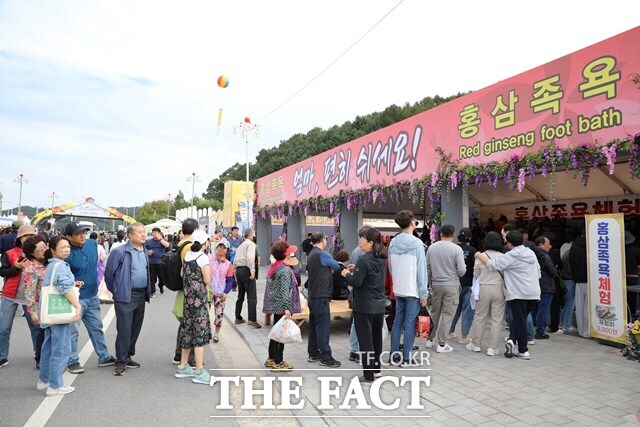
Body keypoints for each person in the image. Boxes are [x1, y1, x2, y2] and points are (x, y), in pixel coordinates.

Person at [476, 231, 541, 360]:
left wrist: (478, 255)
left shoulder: (510, 256)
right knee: (520, 319)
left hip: (518, 293)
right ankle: (511, 340)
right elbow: (538, 272)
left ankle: (523, 350)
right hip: (534, 292)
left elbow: (491, 265)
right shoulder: (531, 253)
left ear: (509, 243)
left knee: (520, 321)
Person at [64, 221, 115, 374]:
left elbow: (103, 260)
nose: (82, 235)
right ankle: (72, 360)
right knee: (72, 331)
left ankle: (104, 356)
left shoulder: (92, 244)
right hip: (74, 297)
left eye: (84, 232)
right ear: (68, 237)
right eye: (78, 233)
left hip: (92, 295)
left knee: (96, 327)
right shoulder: (66, 251)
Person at [105, 223, 151, 376]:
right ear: (130, 235)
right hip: (125, 294)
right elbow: (109, 275)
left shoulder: (143, 250)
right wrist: (117, 290)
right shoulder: (119, 252)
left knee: (135, 327)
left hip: (141, 294)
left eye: (144, 232)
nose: (143, 235)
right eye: (140, 232)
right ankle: (120, 361)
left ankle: (127, 355)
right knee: (124, 328)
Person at [38, 236, 82, 396]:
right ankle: (55, 385)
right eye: (63, 247)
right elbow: (64, 287)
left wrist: (73, 284)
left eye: (68, 247)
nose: (67, 249)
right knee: (61, 349)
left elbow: (59, 284)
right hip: (60, 313)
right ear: (53, 249)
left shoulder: (51, 265)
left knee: (48, 347)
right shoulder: (61, 266)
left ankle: (44, 380)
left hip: (50, 312)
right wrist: (77, 305)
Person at [342, 227, 387, 383]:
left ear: (370, 242)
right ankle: (376, 370)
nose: (359, 242)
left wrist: (346, 274)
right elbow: (370, 277)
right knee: (376, 339)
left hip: (364, 307)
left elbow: (356, 282)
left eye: (362, 239)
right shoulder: (381, 258)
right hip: (379, 305)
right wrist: (357, 270)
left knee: (365, 341)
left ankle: (368, 375)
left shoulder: (363, 259)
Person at [388, 210, 428, 367]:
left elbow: (391, 267)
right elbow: (421, 272)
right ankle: (407, 358)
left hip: (399, 288)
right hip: (413, 290)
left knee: (398, 321)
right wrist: (424, 294)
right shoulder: (417, 244)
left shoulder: (393, 243)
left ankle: (394, 355)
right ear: (412, 222)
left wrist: (398, 280)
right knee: (410, 323)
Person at [0, 224, 41, 369]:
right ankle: (2, 356)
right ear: (19, 238)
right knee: (3, 328)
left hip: (31, 298)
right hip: (10, 295)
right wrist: (15, 268)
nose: (29, 238)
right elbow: (2, 272)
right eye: (26, 236)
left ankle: (39, 355)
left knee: (36, 328)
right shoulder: (10, 253)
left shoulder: (39, 254)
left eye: (31, 236)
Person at [174, 230, 212, 385]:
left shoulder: (188, 256)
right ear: (204, 242)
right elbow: (207, 279)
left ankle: (183, 367)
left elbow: (183, 274)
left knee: (187, 331)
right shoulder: (202, 257)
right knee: (199, 335)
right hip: (199, 301)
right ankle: (199, 371)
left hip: (188, 301)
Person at [425, 224, 466, 353]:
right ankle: (442, 344)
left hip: (436, 285)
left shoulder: (432, 248)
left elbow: (427, 267)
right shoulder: (456, 249)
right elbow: (462, 270)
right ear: (453, 235)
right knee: (448, 314)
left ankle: (429, 339)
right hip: (452, 285)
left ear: (440, 234)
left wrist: (430, 281)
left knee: (435, 312)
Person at [263, 241, 302, 372]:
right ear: (285, 254)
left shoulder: (275, 266)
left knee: (276, 331)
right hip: (282, 305)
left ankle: (271, 358)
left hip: (276, 303)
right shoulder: (284, 269)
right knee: (281, 334)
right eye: (289, 252)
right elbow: (285, 290)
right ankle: (277, 361)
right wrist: (287, 308)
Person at [466, 232, 506, 356]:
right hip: (499, 289)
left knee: (480, 316)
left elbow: (475, 274)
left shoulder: (480, 256)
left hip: (484, 288)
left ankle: (476, 344)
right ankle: (492, 348)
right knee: (497, 319)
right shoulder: (503, 257)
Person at [306, 232, 342, 367]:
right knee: (323, 327)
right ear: (322, 240)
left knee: (313, 325)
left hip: (312, 294)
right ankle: (326, 357)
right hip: (321, 295)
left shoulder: (310, 254)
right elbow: (337, 266)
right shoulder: (323, 254)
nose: (326, 240)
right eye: (326, 238)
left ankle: (313, 353)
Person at [172, 218, 198, 365]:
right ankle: (189, 359)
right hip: (190, 289)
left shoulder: (180, 244)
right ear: (194, 230)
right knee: (191, 323)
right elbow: (190, 269)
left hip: (183, 288)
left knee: (184, 323)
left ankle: (178, 354)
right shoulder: (189, 247)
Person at [21, 235, 48, 369]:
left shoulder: (49, 261)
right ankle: (40, 359)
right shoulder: (31, 269)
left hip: (51, 302)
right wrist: (33, 313)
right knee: (42, 333)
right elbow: (30, 292)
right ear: (32, 252)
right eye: (41, 248)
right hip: (41, 305)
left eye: (45, 246)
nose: (45, 249)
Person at [448, 227, 477, 343]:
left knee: (454, 309)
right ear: (469, 238)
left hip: (454, 283)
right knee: (467, 310)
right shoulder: (473, 250)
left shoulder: (453, 249)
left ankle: (449, 332)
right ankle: (464, 336)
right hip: (468, 283)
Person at [233, 229, 261, 328]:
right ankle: (252, 319)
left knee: (240, 295)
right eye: (253, 234)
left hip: (239, 270)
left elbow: (235, 261)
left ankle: (238, 317)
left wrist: (235, 273)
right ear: (250, 236)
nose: (254, 236)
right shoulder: (251, 244)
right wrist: (252, 271)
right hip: (246, 270)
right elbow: (250, 259)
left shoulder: (240, 245)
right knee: (252, 296)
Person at [209, 240, 234, 344]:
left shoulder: (228, 264)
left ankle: (216, 333)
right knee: (205, 312)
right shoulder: (210, 261)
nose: (221, 249)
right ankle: (206, 331)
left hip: (220, 293)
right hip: (209, 291)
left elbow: (230, 280)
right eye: (219, 246)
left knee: (219, 314)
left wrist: (226, 292)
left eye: (223, 247)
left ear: (227, 250)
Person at [534, 236, 557, 340]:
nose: (550, 246)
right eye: (548, 243)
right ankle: (540, 331)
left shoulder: (533, 254)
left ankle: (533, 327)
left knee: (535, 308)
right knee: (543, 309)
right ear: (540, 244)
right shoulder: (545, 256)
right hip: (546, 285)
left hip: (536, 285)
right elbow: (553, 271)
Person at [569, 228, 590, 338]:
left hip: (578, 280)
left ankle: (581, 330)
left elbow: (571, 260)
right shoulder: (592, 245)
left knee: (580, 306)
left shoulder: (574, 245)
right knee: (589, 307)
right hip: (590, 280)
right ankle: (588, 331)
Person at [558, 233, 576, 332]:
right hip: (569, 278)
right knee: (570, 302)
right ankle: (567, 324)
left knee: (567, 302)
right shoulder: (571, 252)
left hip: (564, 278)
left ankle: (563, 322)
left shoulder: (565, 249)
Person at [145, 227, 170, 296]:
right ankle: (152, 292)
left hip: (160, 262)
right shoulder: (148, 241)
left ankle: (161, 286)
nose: (154, 234)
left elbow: (167, 245)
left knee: (162, 277)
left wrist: (160, 238)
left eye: (156, 233)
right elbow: (144, 250)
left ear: (159, 233)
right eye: (153, 233)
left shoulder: (162, 241)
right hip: (151, 262)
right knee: (152, 278)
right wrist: (148, 252)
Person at [624, 231, 640, 317]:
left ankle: (625, 315)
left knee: (623, 297)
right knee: (633, 297)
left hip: (622, 277)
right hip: (633, 277)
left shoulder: (619, 251)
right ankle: (633, 316)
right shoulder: (637, 250)